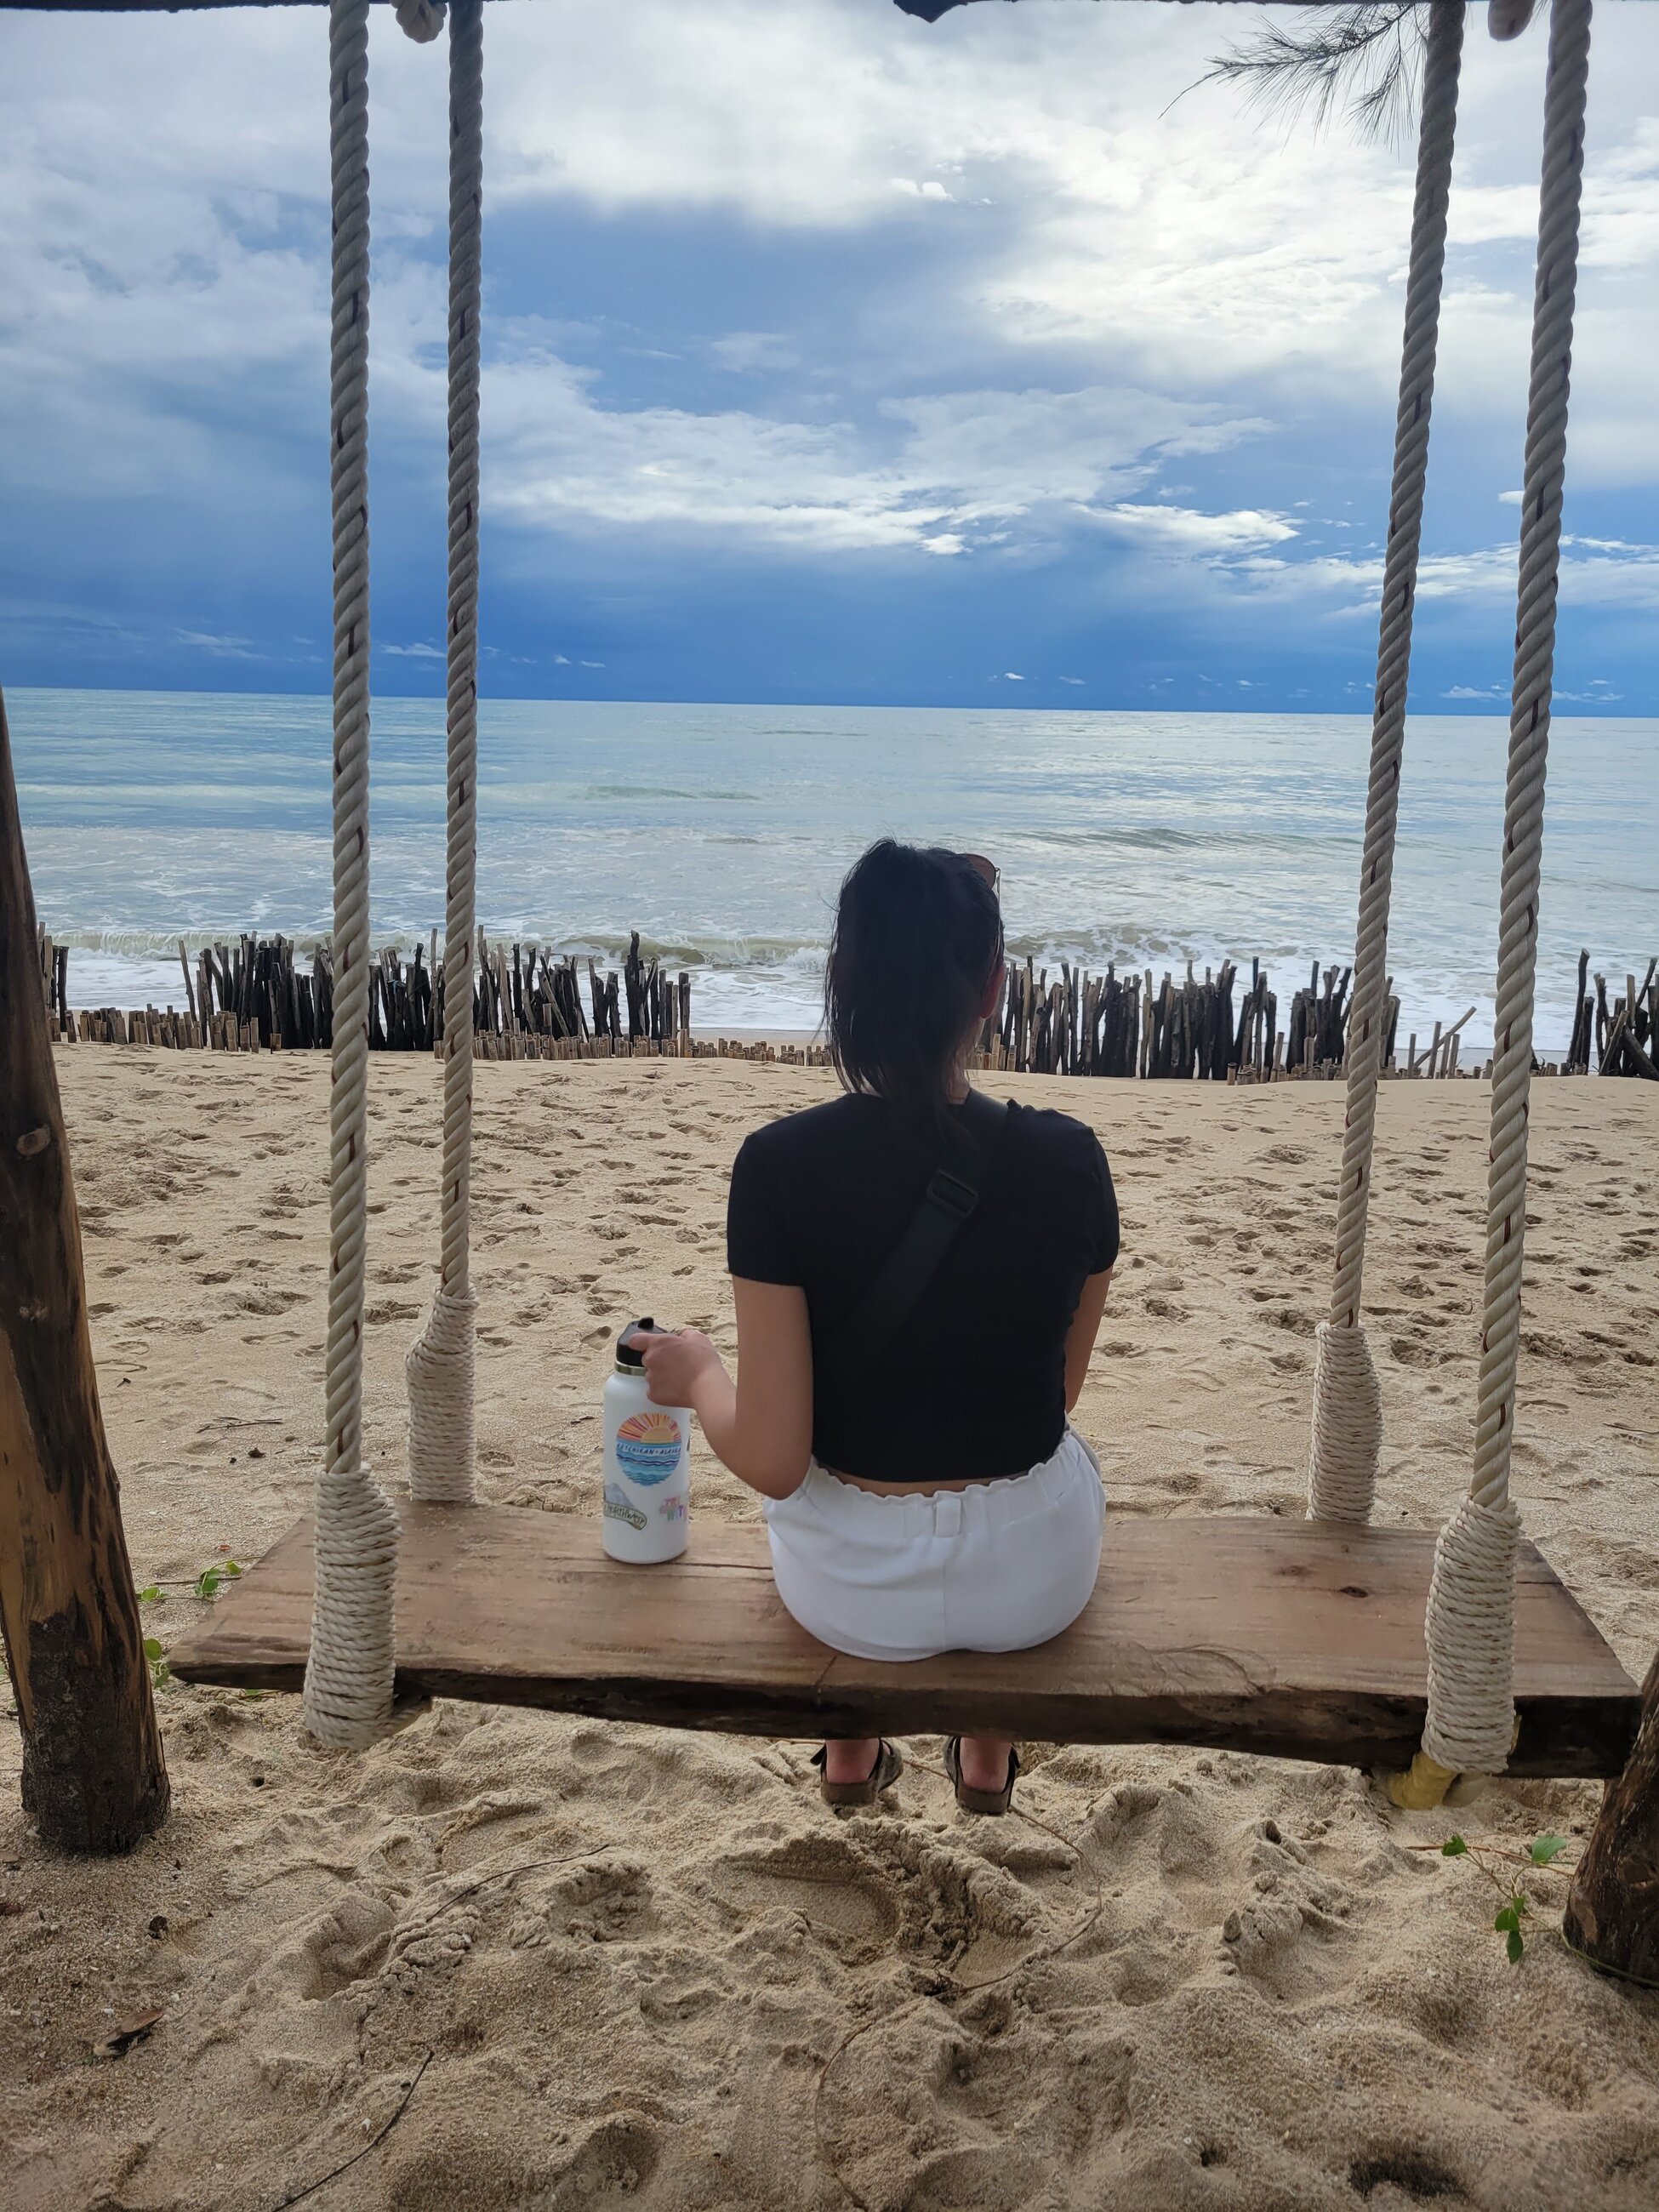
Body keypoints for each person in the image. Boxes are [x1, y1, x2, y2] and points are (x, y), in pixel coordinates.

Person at [638, 839, 1117, 1816]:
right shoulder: (1071, 1160)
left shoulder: (777, 1167)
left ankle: (849, 1756)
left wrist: (697, 1374)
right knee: (1056, 1448)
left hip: (852, 1593)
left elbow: (774, 1457)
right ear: (993, 989)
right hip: (1036, 1580)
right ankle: (985, 1763)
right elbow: (1052, 1395)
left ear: (842, 983)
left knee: (814, 1481)